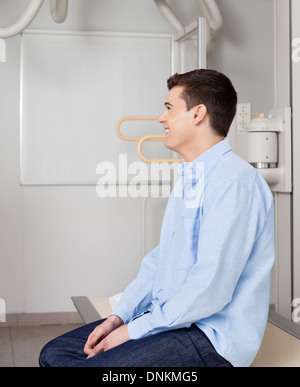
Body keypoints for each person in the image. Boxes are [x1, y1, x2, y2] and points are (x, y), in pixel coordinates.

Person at [39, 69, 275, 368]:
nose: (161, 118)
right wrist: (119, 317)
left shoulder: (233, 182)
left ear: (197, 114)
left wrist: (135, 330)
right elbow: (161, 260)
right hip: (175, 321)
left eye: (168, 108)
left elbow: (209, 289)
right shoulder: (193, 176)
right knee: (54, 354)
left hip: (209, 337)